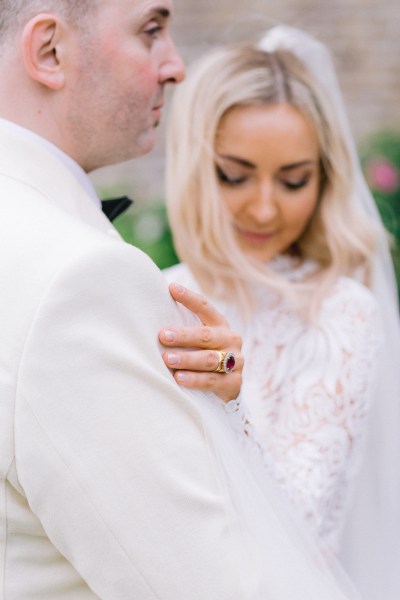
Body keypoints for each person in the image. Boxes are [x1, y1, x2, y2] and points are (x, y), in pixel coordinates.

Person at [0, 2, 364, 599]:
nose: (176, 64)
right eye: (151, 31)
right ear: (49, 51)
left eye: (293, 178)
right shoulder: (83, 280)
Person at [164, 25, 400, 600]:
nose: (264, 207)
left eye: (294, 180)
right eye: (234, 175)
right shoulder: (156, 294)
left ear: (324, 179)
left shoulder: (341, 312)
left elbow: (301, 523)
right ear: (195, 163)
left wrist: (231, 403)